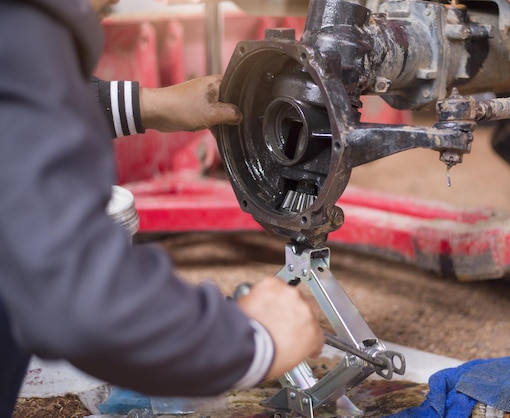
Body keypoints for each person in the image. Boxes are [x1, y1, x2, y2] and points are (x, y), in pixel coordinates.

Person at [0, 0, 325, 416]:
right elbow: (76, 296)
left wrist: (150, 105)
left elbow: (19, 105)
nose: (116, 4)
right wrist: (251, 342)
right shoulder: (20, 29)